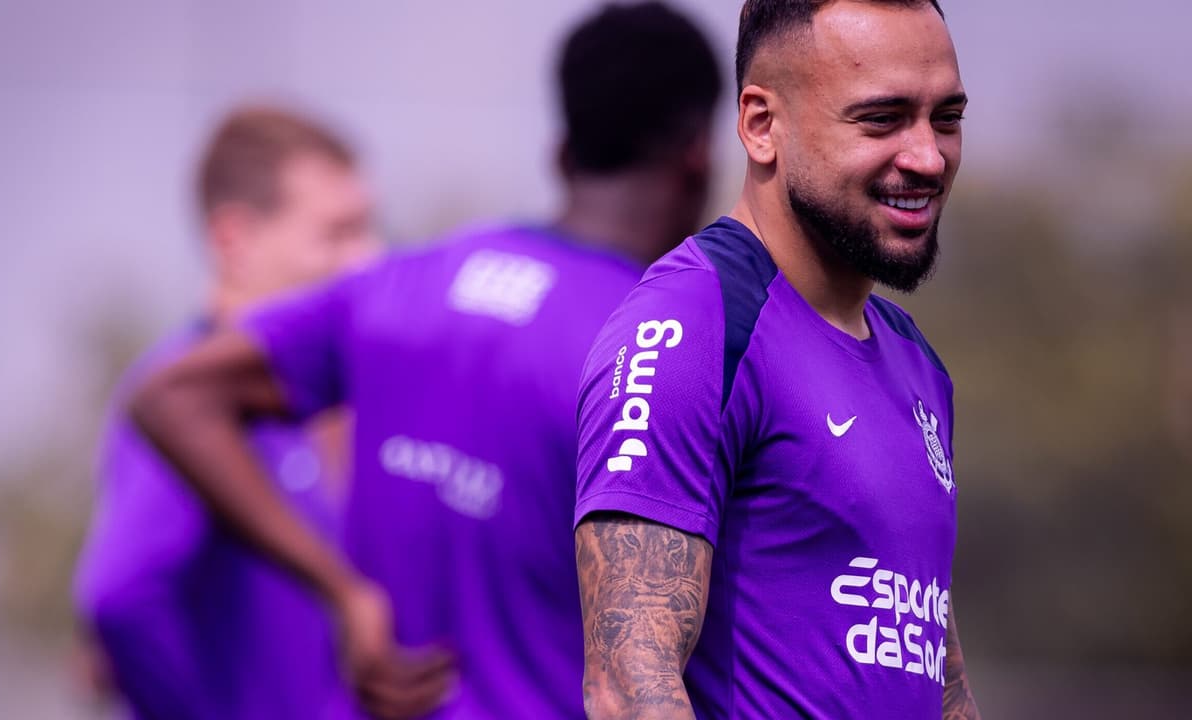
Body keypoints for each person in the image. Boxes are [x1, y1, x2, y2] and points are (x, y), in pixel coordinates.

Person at [126, 3, 722, 718]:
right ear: (697, 152)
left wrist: (342, 593)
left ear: (562, 152)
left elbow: (170, 396)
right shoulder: (670, 352)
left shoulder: (403, 285)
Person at [573, 1, 982, 718]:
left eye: (945, 118)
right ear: (762, 124)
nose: (927, 156)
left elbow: (933, 669)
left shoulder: (918, 361)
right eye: (882, 119)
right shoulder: (694, 326)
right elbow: (628, 687)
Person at [74, 106, 382, 720]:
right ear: (233, 240)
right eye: (337, 234)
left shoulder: (300, 400)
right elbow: (121, 596)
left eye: (368, 229)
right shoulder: (183, 398)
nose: (367, 260)